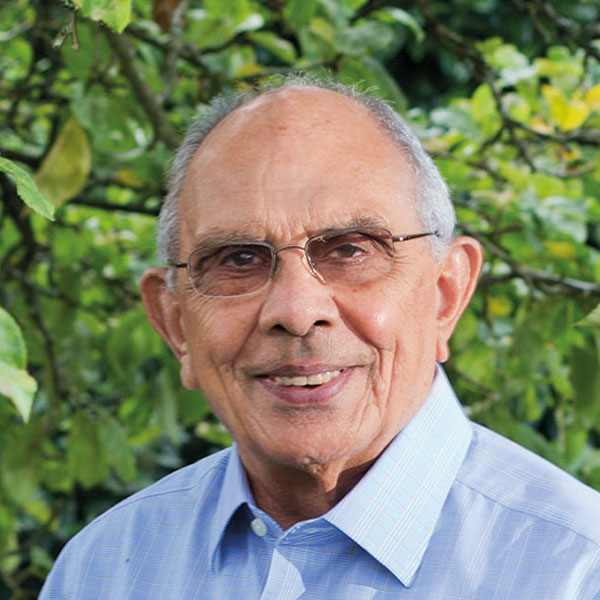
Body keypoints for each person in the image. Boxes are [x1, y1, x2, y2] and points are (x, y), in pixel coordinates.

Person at [40, 77, 600, 599]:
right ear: (176, 324)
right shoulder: (100, 571)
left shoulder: (576, 571)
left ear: (445, 294)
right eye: (239, 259)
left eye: (351, 250)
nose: (297, 311)